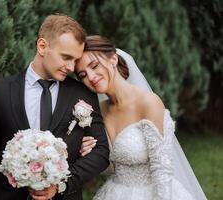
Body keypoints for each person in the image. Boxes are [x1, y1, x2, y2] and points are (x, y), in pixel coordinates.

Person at [0, 15, 109, 200]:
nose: (71, 67)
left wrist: (62, 184)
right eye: (66, 57)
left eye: (75, 60)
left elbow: (101, 152)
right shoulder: (0, 92)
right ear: (42, 46)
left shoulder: (82, 94)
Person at [76, 35, 207, 200]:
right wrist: (90, 152)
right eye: (82, 75)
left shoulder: (148, 103)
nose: (91, 77)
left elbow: (162, 170)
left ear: (113, 59)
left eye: (94, 66)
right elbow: (111, 167)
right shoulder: (98, 111)